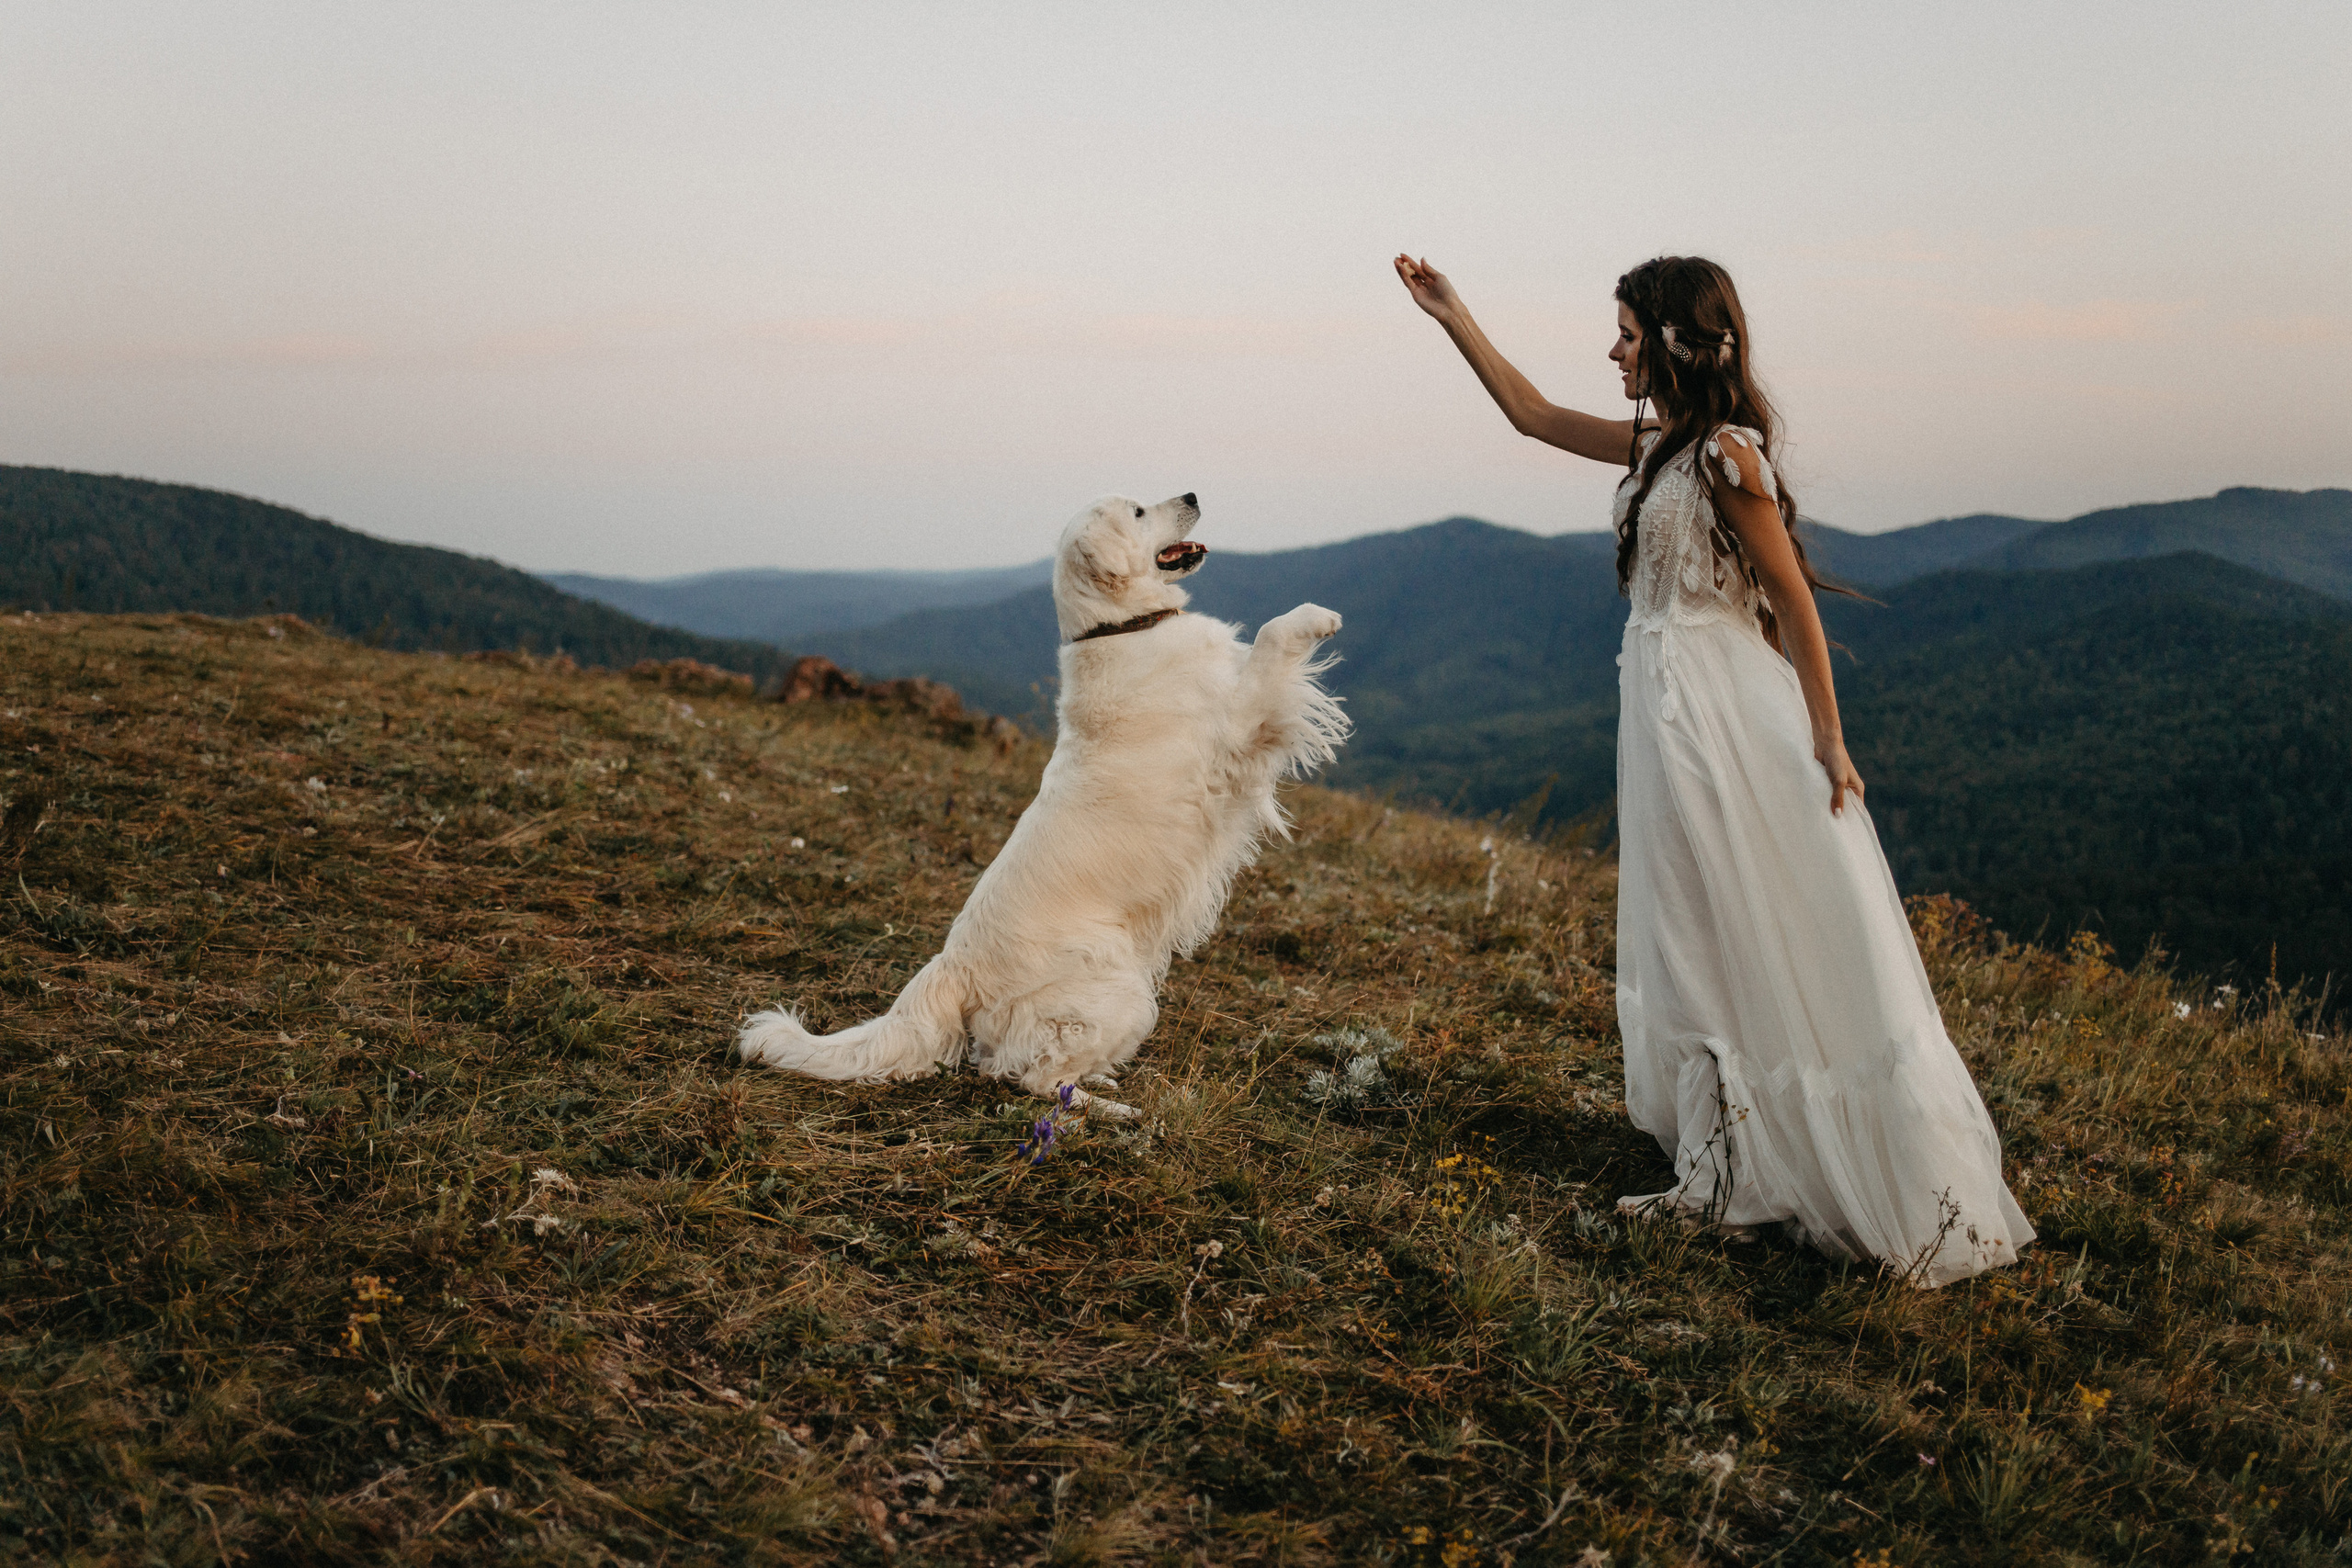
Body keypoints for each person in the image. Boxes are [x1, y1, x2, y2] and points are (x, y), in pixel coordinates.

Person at [1395, 252, 2032, 1285]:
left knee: (1712, 915)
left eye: (1627, 334)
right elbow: (1529, 414)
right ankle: (1724, 1157)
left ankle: (1734, 1169)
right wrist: (1450, 313)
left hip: (1717, 712)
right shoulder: (1658, 448)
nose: (1613, 351)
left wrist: (1828, 739)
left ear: (1676, 341)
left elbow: (1793, 600)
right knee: (1681, 915)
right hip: (1660, 703)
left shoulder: (1728, 457)